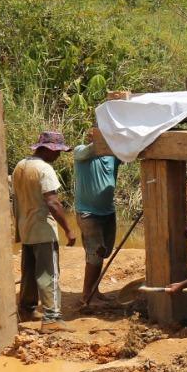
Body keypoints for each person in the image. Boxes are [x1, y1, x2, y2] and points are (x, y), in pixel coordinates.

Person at [12, 131, 77, 330]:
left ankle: (26, 309)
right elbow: (53, 202)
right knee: (49, 273)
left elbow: (16, 199)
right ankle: (52, 318)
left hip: (26, 228)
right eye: (57, 152)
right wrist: (68, 229)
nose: (58, 156)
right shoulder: (44, 169)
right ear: (48, 149)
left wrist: (17, 229)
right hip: (43, 230)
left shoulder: (20, 166)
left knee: (30, 272)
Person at [72, 129, 121, 310]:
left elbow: (129, 153)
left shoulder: (113, 155)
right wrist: (109, 138)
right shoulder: (80, 152)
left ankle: (95, 290)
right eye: (97, 135)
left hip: (108, 212)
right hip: (88, 214)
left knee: (103, 253)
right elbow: (92, 148)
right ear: (90, 136)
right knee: (95, 253)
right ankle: (86, 295)